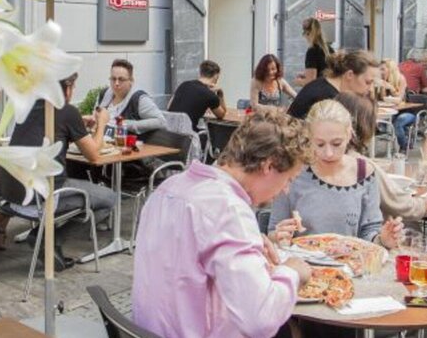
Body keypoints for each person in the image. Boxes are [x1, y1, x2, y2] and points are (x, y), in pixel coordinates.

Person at [132, 113, 314, 338]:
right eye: (289, 179)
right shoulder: (228, 209)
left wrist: (249, 243)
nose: (286, 190)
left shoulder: (168, 188)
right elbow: (260, 320)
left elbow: (187, 258)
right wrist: (292, 272)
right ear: (269, 166)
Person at [0, 74, 116, 250]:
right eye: (74, 87)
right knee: (110, 199)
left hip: (16, 192)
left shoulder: (29, 107)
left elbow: (47, 133)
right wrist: (102, 124)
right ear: (67, 87)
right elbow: (94, 156)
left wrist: (77, 124)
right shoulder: (67, 111)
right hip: (45, 195)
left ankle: (0, 222)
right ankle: (49, 239)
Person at [270, 99, 403, 247]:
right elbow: (273, 230)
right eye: (320, 144)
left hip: (352, 265)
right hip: (303, 263)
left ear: (349, 134)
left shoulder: (364, 173)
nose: (328, 153)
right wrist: (278, 237)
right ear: (308, 137)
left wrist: (383, 240)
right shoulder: (293, 173)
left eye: (336, 143)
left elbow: (369, 232)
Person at [335, 91, 427, 220]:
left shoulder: (317, 158)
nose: (375, 126)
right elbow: (408, 208)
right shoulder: (361, 166)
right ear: (365, 125)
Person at [287, 50, 377, 119]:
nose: (371, 89)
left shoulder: (323, 85)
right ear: (350, 75)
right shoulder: (329, 98)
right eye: (368, 82)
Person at [94, 58, 167, 134]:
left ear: (131, 81)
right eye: (113, 79)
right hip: (101, 143)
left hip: (127, 144)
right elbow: (96, 121)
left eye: (121, 79)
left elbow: (161, 122)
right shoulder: (103, 94)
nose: (116, 83)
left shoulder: (139, 99)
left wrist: (126, 124)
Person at [168, 59, 227, 129]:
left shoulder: (184, 84)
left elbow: (169, 106)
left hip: (168, 132)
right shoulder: (210, 95)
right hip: (187, 135)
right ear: (216, 76)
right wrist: (220, 94)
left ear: (201, 73)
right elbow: (221, 115)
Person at [378, 58, 417, 153]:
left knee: (398, 123)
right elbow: (383, 98)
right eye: (380, 69)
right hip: (392, 112)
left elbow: (399, 98)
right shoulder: (384, 80)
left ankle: (403, 147)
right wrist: (382, 86)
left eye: (383, 69)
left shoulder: (401, 79)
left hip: (407, 111)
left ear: (390, 69)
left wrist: (391, 87)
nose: (381, 71)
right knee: (378, 122)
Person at [294, 17, 332, 86]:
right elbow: (322, 71)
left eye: (304, 33)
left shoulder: (312, 51)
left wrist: (298, 81)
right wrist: (306, 74)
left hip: (320, 92)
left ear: (307, 33)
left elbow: (311, 82)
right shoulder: (329, 49)